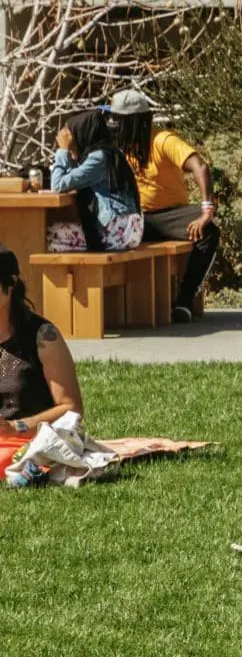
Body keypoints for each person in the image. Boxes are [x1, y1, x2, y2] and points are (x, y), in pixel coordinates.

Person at [106, 90, 220, 322]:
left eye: (118, 121)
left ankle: (184, 300)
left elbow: (200, 167)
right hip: (135, 217)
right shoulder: (115, 147)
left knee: (209, 232)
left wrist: (206, 210)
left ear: (135, 121)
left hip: (171, 215)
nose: (113, 125)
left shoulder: (163, 140)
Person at [0, 248, 83, 464]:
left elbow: (71, 408)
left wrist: (16, 427)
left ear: (10, 286)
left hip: (27, 440)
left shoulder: (43, 337)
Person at [48, 110, 143, 252]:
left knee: (47, 235)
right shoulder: (108, 152)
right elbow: (73, 178)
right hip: (125, 228)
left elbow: (58, 185)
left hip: (118, 232)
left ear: (82, 134)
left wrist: (63, 150)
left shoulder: (98, 158)